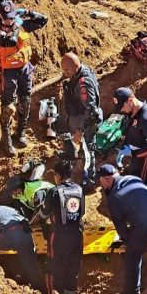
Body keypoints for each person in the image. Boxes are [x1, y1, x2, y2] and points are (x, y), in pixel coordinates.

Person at [0, 0, 48, 156]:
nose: (8, 20)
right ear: (0, 16)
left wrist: (27, 12)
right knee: (8, 107)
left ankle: (20, 133)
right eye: (5, 18)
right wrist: (17, 23)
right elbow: (11, 40)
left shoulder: (18, 22)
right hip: (9, 72)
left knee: (26, 101)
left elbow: (43, 20)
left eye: (10, 17)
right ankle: (6, 141)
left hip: (25, 69)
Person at [97, 164, 147, 294]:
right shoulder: (132, 178)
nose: (101, 185)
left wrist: (128, 242)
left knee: (132, 255)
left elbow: (120, 225)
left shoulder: (114, 197)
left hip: (146, 224)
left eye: (101, 181)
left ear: (106, 180)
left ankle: (132, 293)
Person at [39, 160, 84, 294]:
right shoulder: (79, 189)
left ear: (57, 176)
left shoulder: (54, 191)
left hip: (59, 235)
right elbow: (82, 212)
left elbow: (44, 214)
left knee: (53, 265)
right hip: (77, 234)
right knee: (73, 267)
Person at [0, 196, 44, 291]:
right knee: (30, 263)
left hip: (8, 237)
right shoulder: (9, 209)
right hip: (25, 234)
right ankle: (40, 288)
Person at [61, 52, 103, 192]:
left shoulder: (83, 82)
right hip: (80, 119)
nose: (65, 73)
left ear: (76, 66)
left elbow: (91, 110)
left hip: (86, 122)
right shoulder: (78, 75)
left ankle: (88, 183)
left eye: (67, 71)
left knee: (87, 151)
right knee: (83, 150)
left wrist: (81, 130)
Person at [113, 87, 147, 188]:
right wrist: (124, 148)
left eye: (122, 106)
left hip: (145, 161)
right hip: (136, 159)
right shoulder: (132, 114)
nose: (121, 110)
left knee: (142, 188)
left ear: (130, 101)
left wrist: (133, 153)